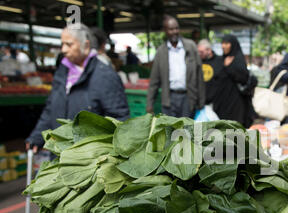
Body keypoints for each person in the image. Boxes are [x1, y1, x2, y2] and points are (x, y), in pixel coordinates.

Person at [26, 23, 129, 153]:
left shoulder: (105, 75)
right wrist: (37, 136)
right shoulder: (62, 72)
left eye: (69, 44)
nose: (63, 49)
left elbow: (119, 119)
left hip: (88, 160)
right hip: (59, 152)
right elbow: (51, 108)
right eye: (62, 44)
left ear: (86, 45)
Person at [147, 15, 205, 118]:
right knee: (170, 132)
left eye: (176, 28)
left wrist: (201, 101)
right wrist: (149, 104)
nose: (175, 31)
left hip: (188, 97)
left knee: (186, 131)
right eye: (171, 29)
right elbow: (154, 81)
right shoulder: (161, 51)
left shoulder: (190, 47)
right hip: (169, 98)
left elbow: (199, 75)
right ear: (165, 30)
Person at [211, 34, 255, 127]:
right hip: (222, 101)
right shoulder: (220, 60)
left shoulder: (238, 60)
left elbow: (243, 77)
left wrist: (229, 68)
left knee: (235, 127)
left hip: (236, 101)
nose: (223, 46)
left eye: (226, 43)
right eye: (222, 43)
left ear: (233, 45)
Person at [197, 39, 222, 105]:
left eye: (201, 52)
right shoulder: (197, 61)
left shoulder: (220, 61)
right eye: (198, 52)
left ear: (209, 50)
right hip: (199, 101)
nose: (199, 54)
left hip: (216, 102)